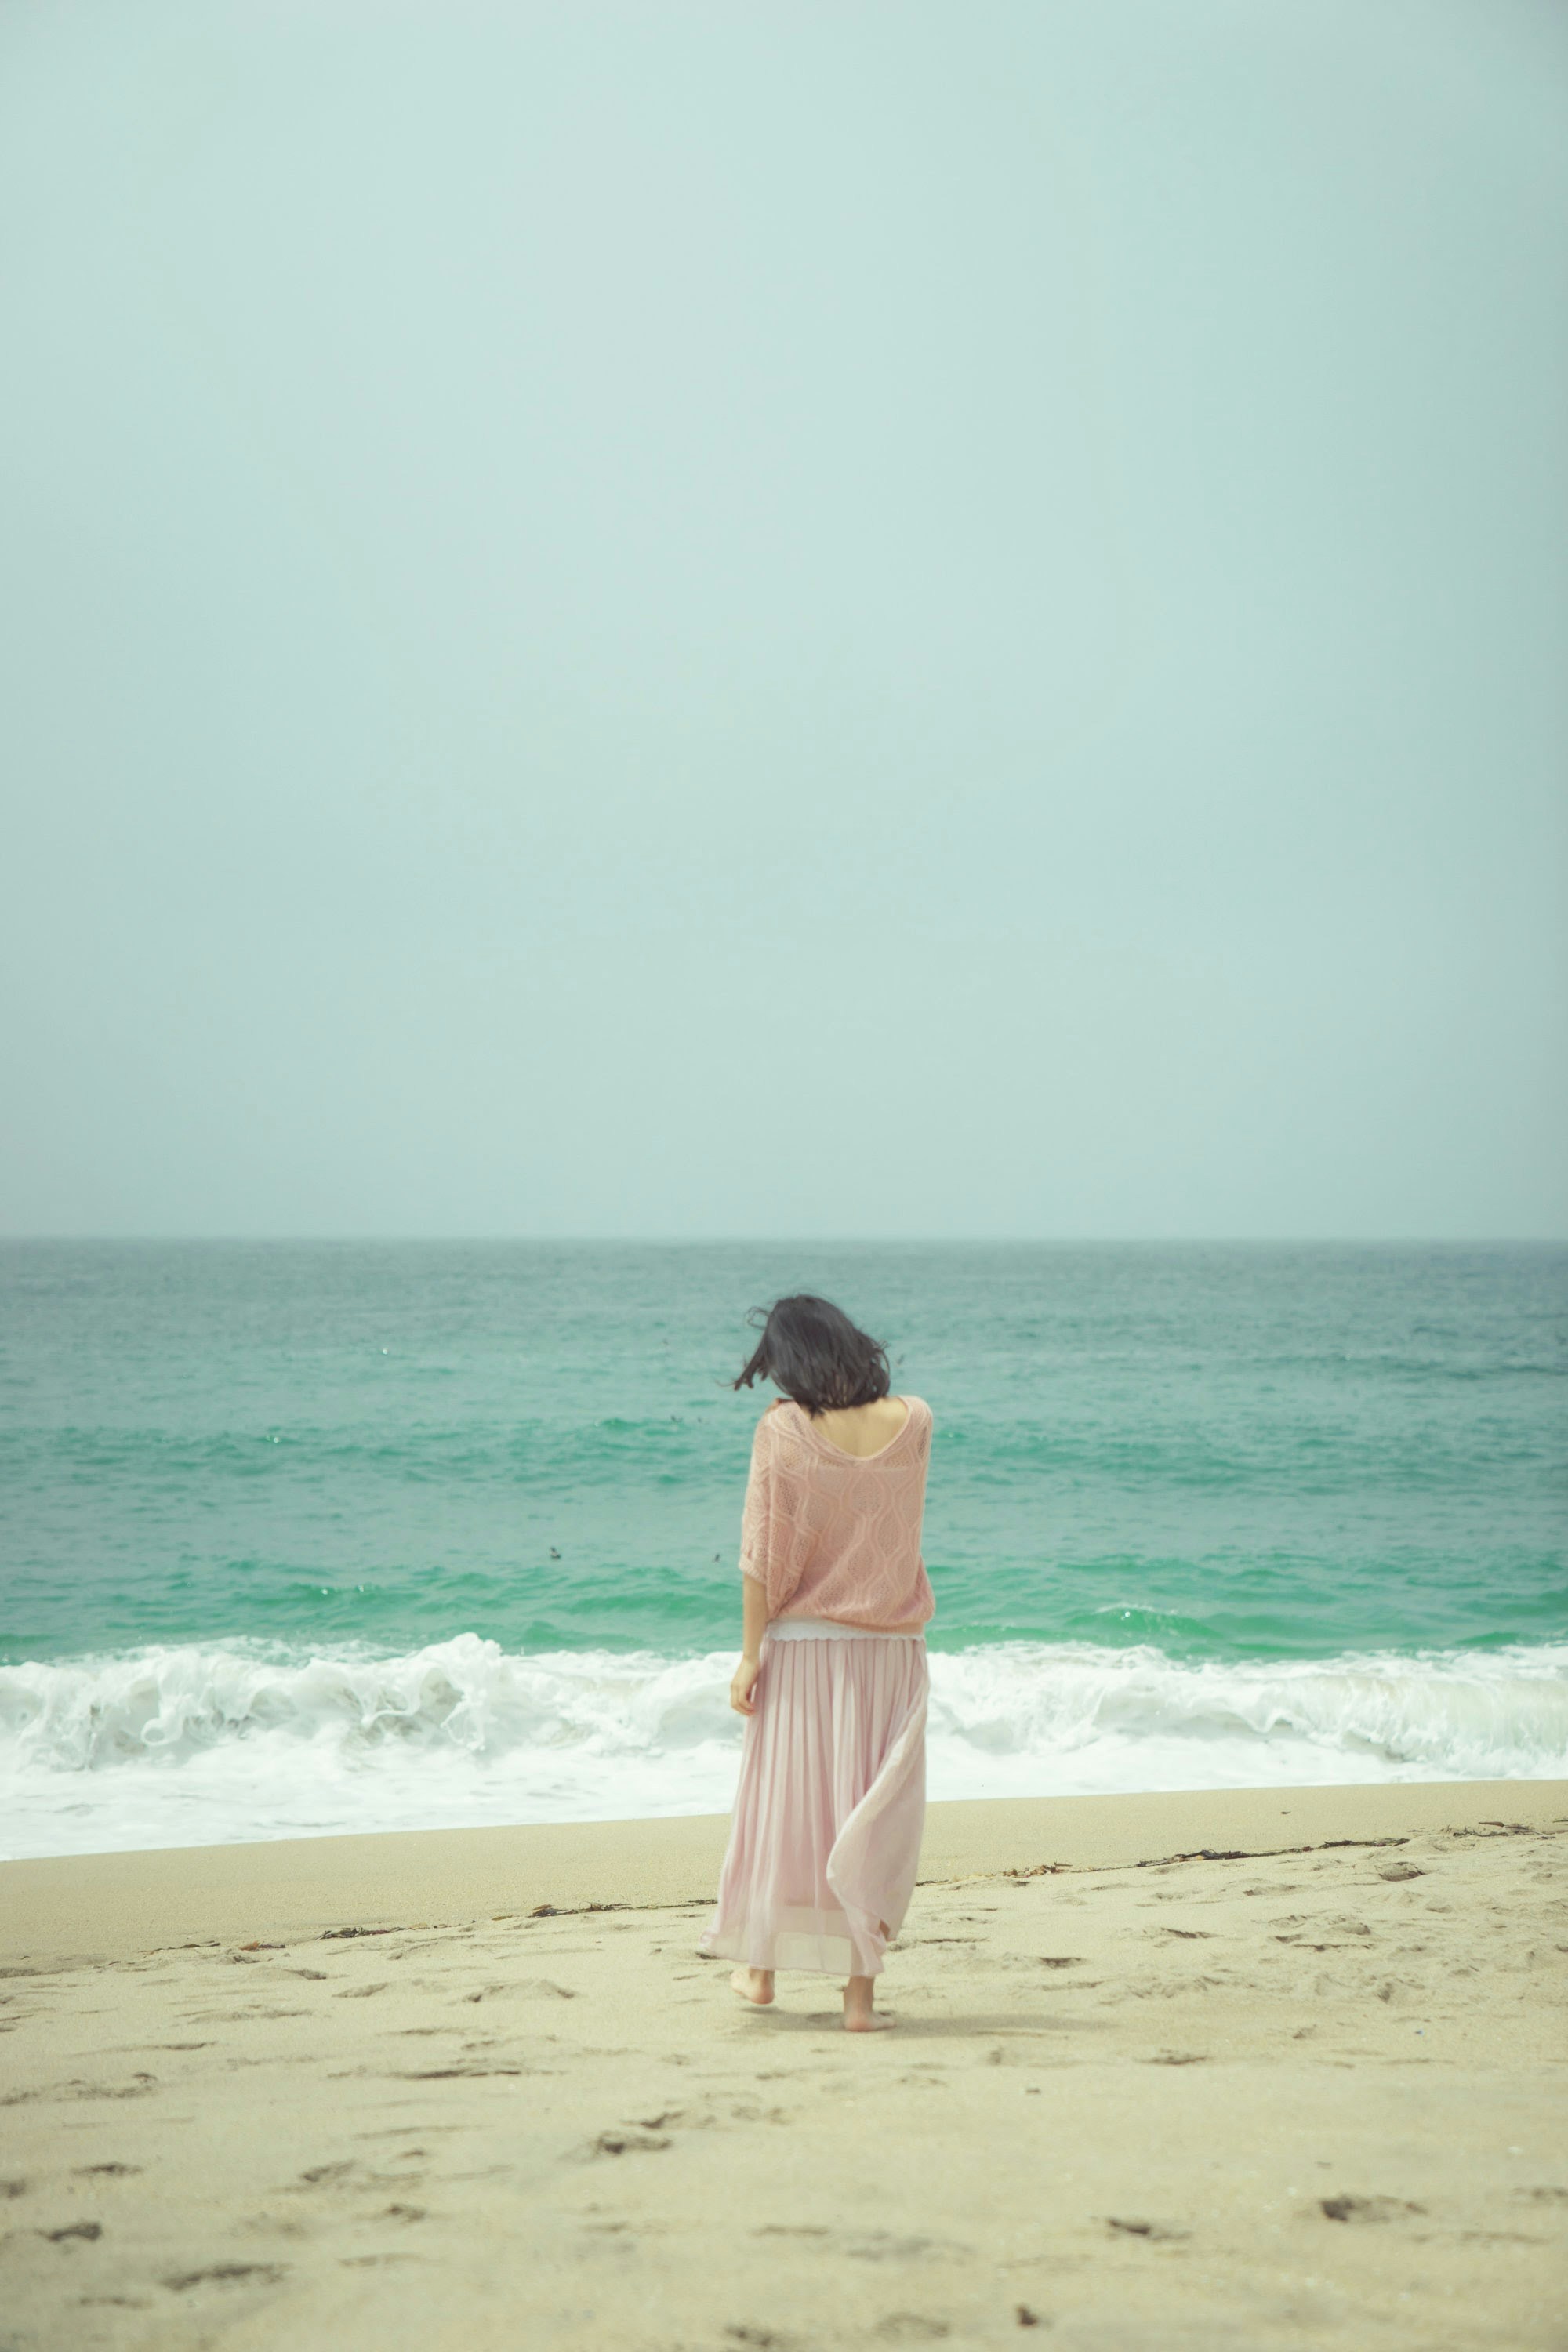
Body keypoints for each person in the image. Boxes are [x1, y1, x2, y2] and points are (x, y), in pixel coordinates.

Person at [698, 1294, 935, 2032]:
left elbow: (762, 1555)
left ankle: (759, 1970)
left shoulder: (782, 1429)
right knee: (872, 1814)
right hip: (893, 1648)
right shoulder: (916, 1419)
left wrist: (749, 1656)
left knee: (787, 1811)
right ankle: (859, 2001)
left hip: (804, 1648)